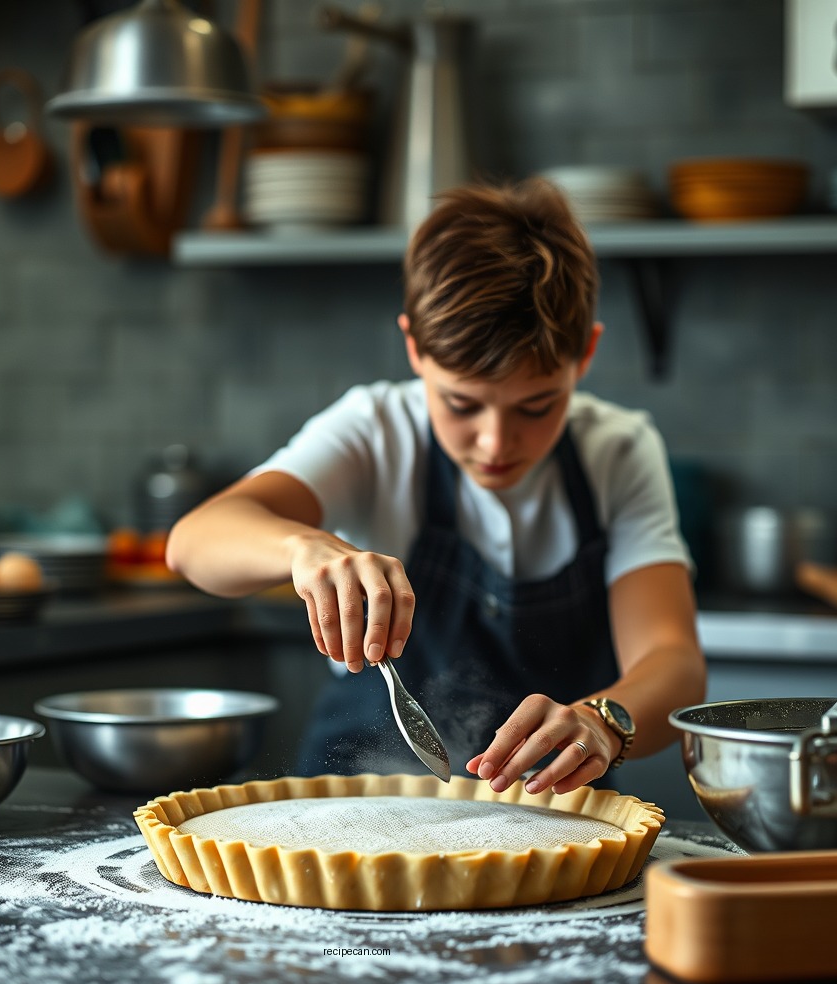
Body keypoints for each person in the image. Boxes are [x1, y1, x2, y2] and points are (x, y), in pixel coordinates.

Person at [166, 177, 706, 795]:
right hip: (345, 821)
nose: (495, 442)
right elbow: (193, 543)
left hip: (550, 824)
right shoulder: (374, 430)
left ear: (586, 353)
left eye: (536, 406)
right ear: (415, 348)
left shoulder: (619, 450)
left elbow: (674, 660)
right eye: (461, 403)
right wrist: (300, 548)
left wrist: (604, 720)